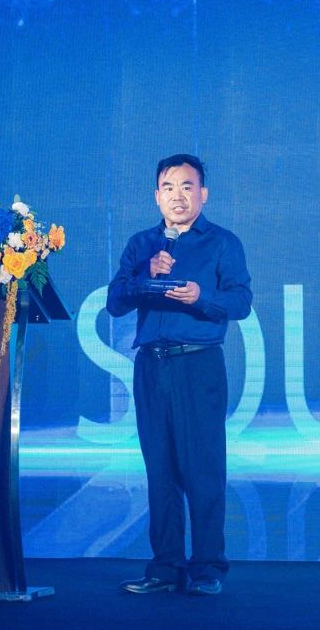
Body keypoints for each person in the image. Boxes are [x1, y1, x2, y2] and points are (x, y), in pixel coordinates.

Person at [107, 154, 252, 596]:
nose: (178, 196)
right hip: (152, 366)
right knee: (160, 470)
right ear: (157, 196)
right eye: (169, 187)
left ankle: (207, 568)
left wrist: (201, 297)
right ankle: (165, 568)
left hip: (198, 365)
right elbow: (115, 301)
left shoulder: (222, 243)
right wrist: (145, 275)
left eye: (187, 187)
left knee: (203, 470)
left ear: (202, 194)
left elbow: (241, 301)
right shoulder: (142, 245)